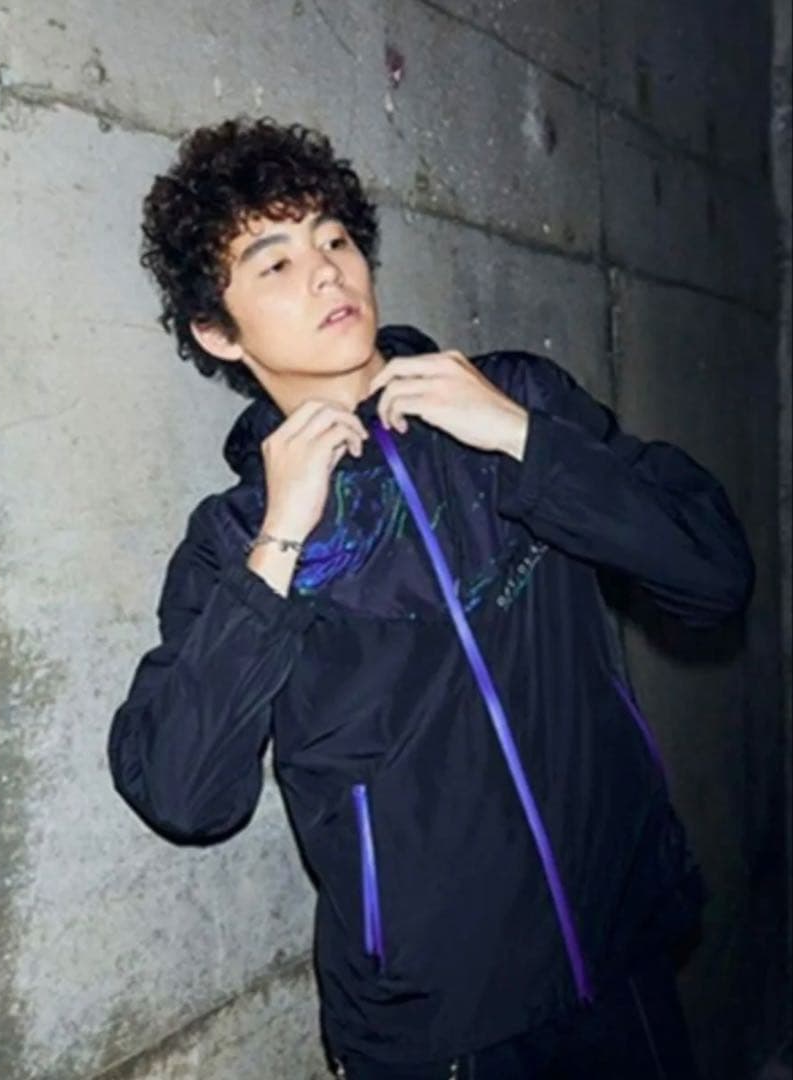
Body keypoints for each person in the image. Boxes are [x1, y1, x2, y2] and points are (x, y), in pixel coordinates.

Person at [108, 116, 754, 1079]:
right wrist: (281, 538)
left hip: (626, 955)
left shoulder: (515, 399)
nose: (326, 273)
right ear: (217, 329)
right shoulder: (234, 538)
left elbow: (710, 575)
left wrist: (521, 437)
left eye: (334, 238)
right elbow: (184, 794)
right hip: (439, 1032)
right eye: (275, 262)